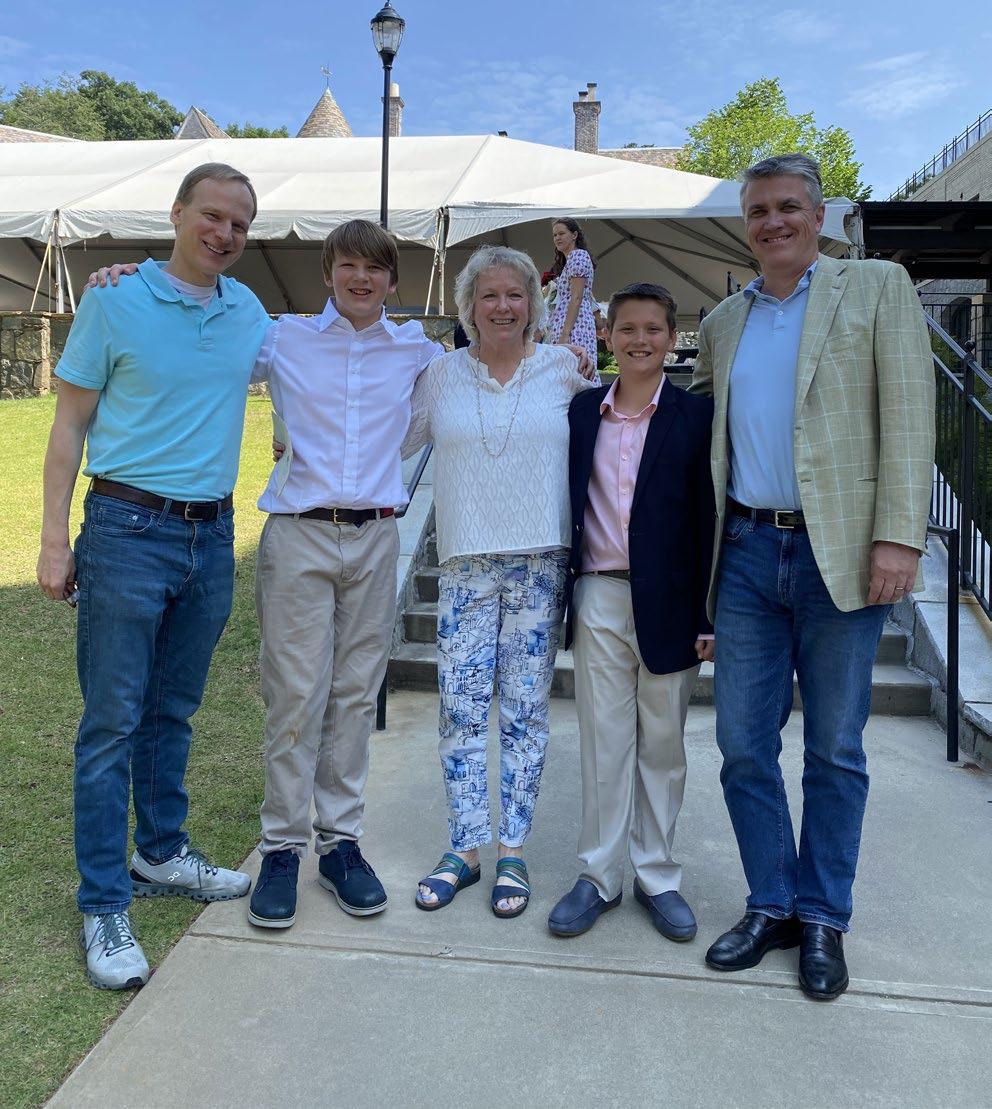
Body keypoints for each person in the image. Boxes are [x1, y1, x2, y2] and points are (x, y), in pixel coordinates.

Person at [689, 154, 935, 1000]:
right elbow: (690, 424)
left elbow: (910, 411)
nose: (774, 222)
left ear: (819, 215)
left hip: (844, 551)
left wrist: (899, 534)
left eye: (788, 206)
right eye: (759, 210)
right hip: (746, 555)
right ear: (746, 224)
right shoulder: (724, 320)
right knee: (741, 744)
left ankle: (824, 914)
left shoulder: (875, 287)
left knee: (835, 747)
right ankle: (772, 901)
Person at [37, 163, 272, 990]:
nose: (225, 233)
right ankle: (104, 901)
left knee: (172, 710)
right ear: (177, 214)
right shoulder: (114, 299)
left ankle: (161, 852)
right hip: (125, 529)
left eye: (240, 224)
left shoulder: (247, 312)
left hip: (213, 536)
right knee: (111, 721)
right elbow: (68, 426)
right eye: (212, 215)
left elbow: (324, 354)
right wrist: (53, 540)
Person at [246, 220, 443, 929]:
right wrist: (125, 281)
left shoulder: (416, 351)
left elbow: (432, 415)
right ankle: (281, 846)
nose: (362, 278)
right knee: (296, 694)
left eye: (376, 268)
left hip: (376, 536)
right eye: (349, 266)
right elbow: (203, 342)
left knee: (356, 693)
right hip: (299, 533)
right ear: (328, 272)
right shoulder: (283, 338)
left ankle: (340, 842)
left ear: (392, 280)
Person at [404, 245, 598, 918]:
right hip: (465, 564)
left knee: (525, 711)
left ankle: (512, 848)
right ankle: (465, 847)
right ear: (468, 306)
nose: (503, 306)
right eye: (489, 294)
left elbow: (615, 432)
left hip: (541, 562)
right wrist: (300, 439)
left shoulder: (563, 369)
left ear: (534, 303)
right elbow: (389, 439)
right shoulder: (439, 374)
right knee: (459, 706)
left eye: (516, 294)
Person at [548, 282, 716, 941]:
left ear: (672, 337)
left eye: (652, 328)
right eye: (627, 328)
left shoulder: (695, 416)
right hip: (598, 593)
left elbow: (707, 519)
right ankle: (598, 876)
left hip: (672, 600)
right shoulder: (581, 412)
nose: (639, 339)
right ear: (607, 335)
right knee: (604, 741)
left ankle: (658, 875)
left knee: (664, 743)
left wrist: (707, 615)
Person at [546, 218, 597, 367]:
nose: (557, 238)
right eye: (555, 235)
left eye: (561, 233)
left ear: (574, 235)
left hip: (575, 325)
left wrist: (565, 333)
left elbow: (576, 297)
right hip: (571, 322)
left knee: (574, 369)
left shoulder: (577, 256)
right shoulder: (571, 259)